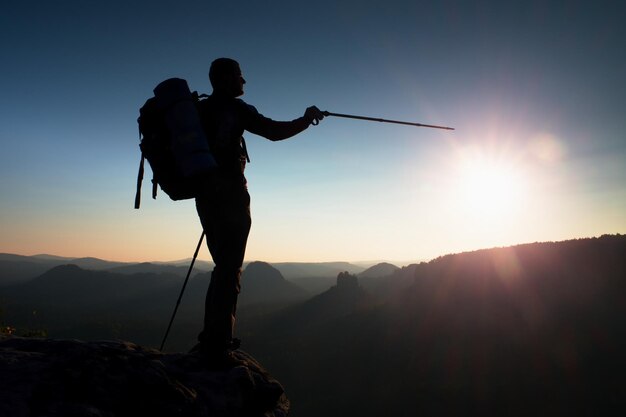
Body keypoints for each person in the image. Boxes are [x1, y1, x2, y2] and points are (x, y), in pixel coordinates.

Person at [192, 58, 324, 363]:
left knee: (222, 265)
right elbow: (274, 132)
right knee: (230, 267)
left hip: (205, 195)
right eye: (239, 76)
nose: (244, 82)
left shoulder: (198, 109)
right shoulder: (236, 109)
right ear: (225, 79)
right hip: (232, 194)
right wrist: (306, 119)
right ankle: (218, 341)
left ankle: (211, 336)